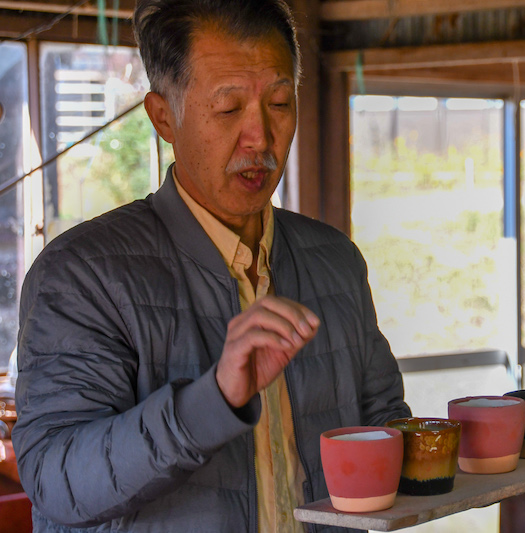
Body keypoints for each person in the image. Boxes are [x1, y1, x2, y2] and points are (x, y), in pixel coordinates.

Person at [12, 0, 411, 531]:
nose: (261, 138)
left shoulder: (334, 260)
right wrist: (212, 400)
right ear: (163, 118)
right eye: (228, 109)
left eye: (279, 103)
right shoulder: (82, 275)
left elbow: (384, 425)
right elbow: (56, 483)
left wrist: (472, 447)